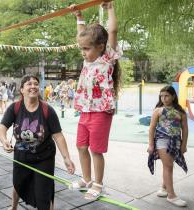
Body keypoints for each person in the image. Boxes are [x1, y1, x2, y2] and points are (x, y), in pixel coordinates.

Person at [0, 74, 75, 210]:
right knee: (18, 184)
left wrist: (66, 158)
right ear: (21, 89)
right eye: (29, 84)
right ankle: (13, 207)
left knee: (44, 192)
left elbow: (58, 136)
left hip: (43, 157)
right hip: (22, 156)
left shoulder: (47, 110)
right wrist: (4, 140)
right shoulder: (14, 108)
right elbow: (2, 127)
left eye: (35, 83)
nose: (33, 86)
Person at [70, 1, 122, 200]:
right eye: (82, 48)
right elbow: (82, 35)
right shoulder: (87, 59)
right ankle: (86, 179)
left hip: (101, 111)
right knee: (81, 146)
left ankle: (98, 184)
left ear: (101, 47)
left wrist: (110, 8)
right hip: (85, 110)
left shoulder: (107, 58)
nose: (83, 52)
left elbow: (113, 31)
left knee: (96, 150)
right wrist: (79, 17)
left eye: (87, 49)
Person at [148, 85, 188, 207]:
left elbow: (185, 129)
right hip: (161, 140)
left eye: (166, 96)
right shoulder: (158, 111)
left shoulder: (180, 112)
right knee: (168, 165)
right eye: (161, 96)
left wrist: (184, 145)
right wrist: (151, 145)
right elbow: (152, 128)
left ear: (173, 96)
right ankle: (171, 196)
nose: (163, 98)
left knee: (168, 165)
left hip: (175, 141)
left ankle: (164, 188)